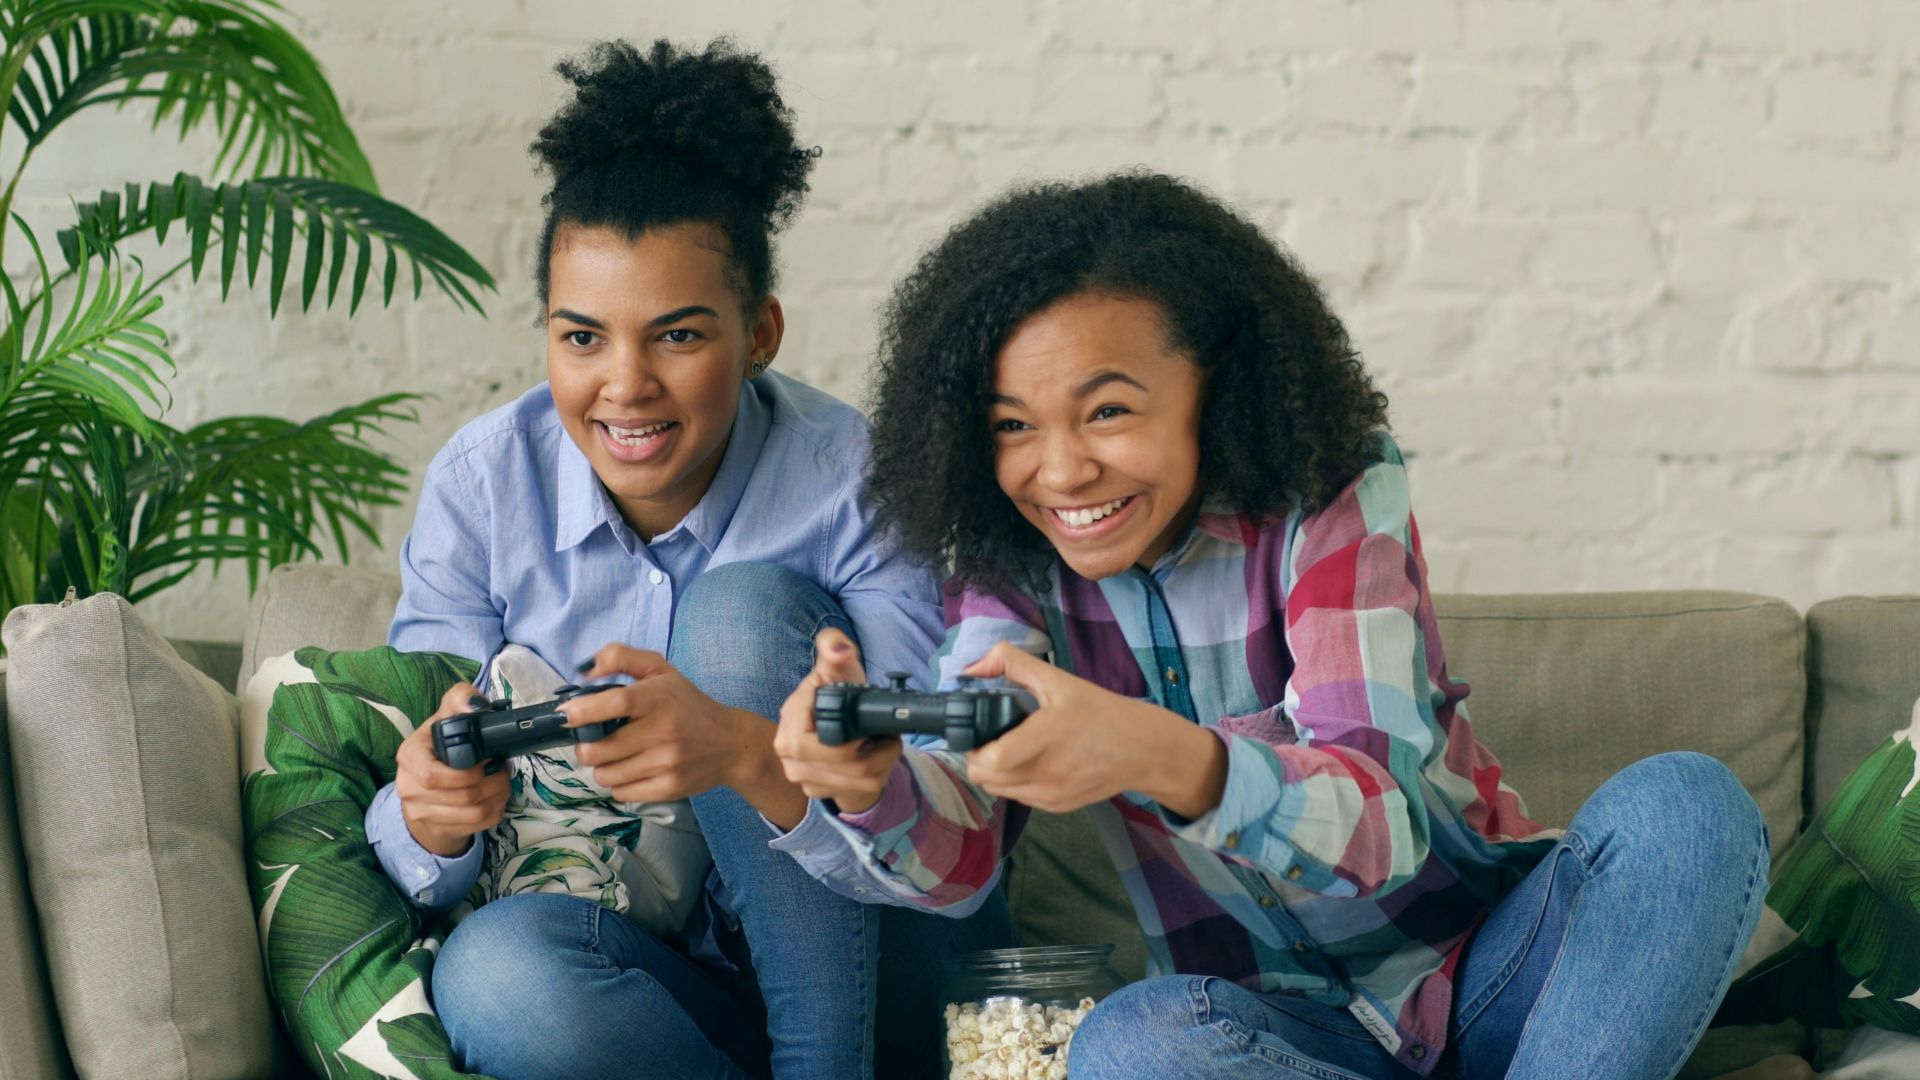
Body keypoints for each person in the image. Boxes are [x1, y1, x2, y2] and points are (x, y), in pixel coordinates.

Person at [769, 172, 1770, 1080]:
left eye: (1107, 412)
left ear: (1214, 386)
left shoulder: (1324, 495)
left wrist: (1159, 752)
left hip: (1499, 974)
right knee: (1128, 1045)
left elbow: (1380, 827)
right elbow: (959, 860)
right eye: (1013, 426)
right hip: (1277, 1036)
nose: (1062, 471)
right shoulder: (1009, 565)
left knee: (1687, 808)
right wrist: (873, 788)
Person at [369, 38, 1007, 1080]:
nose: (625, 385)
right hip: (668, 992)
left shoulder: (859, 479)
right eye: (582, 338)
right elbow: (418, 784)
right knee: (496, 975)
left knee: (739, 617)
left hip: (890, 970)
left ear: (760, 335)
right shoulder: (484, 488)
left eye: (677, 336)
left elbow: (948, 825)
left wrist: (746, 750)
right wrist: (433, 819)